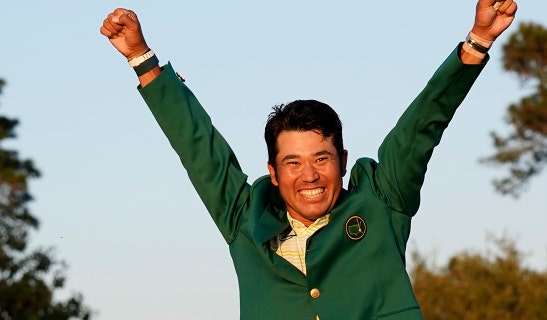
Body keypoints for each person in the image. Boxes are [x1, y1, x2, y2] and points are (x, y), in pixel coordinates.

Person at [100, 1, 517, 319]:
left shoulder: (381, 202)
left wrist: (477, 42)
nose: (310, 176)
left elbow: (422, 126)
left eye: (322, 158)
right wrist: (142, 59)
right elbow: (196, 145)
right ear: (274, 173)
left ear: (342, 159)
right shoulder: (243, 220)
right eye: (293, 163)